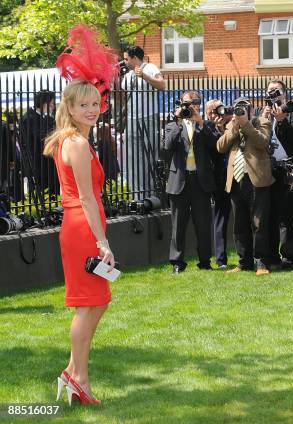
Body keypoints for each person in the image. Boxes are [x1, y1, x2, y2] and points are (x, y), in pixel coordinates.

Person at [43, 25, 119, 406]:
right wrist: (102, 243)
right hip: (83, 227)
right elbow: (88, 199)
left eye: (96, 104)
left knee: (98, 299)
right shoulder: (75, 143)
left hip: (83, 225)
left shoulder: (74, 141)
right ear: (69, 108)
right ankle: (78, 379)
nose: (92, 109)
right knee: (89, 300)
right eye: (84, 105)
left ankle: (73, 373)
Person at [217, 97, 273, 275]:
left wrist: (247, 124)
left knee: (259, 222)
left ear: (250, 109)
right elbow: (220, 146)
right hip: (236, 179)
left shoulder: (261, 121)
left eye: (243, 108)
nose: (240, 112)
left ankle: (262, 263)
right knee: (240, 224)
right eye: (237, 109)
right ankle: (243, 262)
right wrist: (234, 126)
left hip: (257, 179)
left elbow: (263, 142)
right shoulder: (231, 125)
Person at [163, 91, 217, 274]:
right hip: (179, 181)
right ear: (181, 104)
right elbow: (167, 147)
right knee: (178, 225)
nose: (191, 106)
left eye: (195, 103)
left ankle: (205, 261)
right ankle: (177, 263)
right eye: (187, 104)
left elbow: (215, 146)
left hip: (200, 182)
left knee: (203, 224)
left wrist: (201, 122)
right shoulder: (172, 125)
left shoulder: (205, 125)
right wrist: (179, 121)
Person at [256, 79, 293, 265]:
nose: (273, 94)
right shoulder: (263, 113)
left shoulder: (292, 113)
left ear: (285, 93)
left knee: (286, 215)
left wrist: (282, 120)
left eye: (277, 91)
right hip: (266, 169)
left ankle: (287, 254)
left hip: (286, 170)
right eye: (270, 91)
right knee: (268, 215)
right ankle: (270, 255)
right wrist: (264, 119)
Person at [120, 45, 166, 199]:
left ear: (134, 58)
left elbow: (162, 85)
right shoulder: (128, 74)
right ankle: (137, 194)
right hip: (132, 119)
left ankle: (151, 194)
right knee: (133, 157)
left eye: (126, 58)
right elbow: (122, 95)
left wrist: (144, 76)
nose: (124, 61)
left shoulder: (150, 67)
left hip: (149, 117)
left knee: (149, 155)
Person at [205, 99, 232, 269]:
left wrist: (225, 127)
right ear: (208, 114)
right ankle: (221, 259)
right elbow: (214, 147)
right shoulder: (206, 127)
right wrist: (218, 129)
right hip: (218, 179)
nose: (217, 114)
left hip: (234, 176)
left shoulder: (231, 125)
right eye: (213, 111)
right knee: (220, 217)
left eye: (219, 110)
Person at [18, 90, 58, 196]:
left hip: (50, 162)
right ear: (45, 103)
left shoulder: (48, 118)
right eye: (52, 103)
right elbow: (36, 138)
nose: (53, 107)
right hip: (37, 162)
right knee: (40, 192)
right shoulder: (28, 118)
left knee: (53, 191)